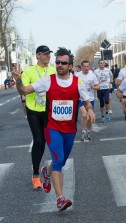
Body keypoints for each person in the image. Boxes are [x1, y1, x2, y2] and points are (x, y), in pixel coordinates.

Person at [12, 47, 95, 212]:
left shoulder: (78, 82)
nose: (59, 65)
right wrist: (19, 81)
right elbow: (25, 91)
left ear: (70, 66)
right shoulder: (48, 80)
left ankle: (46, 173)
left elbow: (86, 101)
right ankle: (60, 198)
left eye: (63, 63)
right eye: (57, 62)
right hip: (52, 128)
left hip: (70, 129)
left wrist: (90, 109)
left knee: (62, 160)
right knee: (58, 160)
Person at [21, 45, 56, 190]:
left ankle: (42, 170)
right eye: (45, 54)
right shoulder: (28, 71)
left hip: (49, 110)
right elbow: (23, 90)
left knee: (48, 141)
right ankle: (35, 175)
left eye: (49, 54)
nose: (48, 56)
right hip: (33, 110)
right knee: (38, 140)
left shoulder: (53, 70)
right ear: (37, 56)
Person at [76, 60, 99, 141]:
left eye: (87, 66)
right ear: (81, 67)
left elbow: (98, 86)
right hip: (80, 99)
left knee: (89, 117)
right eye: (84, 66)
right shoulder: (77, 75)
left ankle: (88, 131)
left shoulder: (92, 76)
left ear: (89, 67)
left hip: (90, 99)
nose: (86, 68)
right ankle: (83, 131)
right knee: (84, 114)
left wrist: (93, 86)